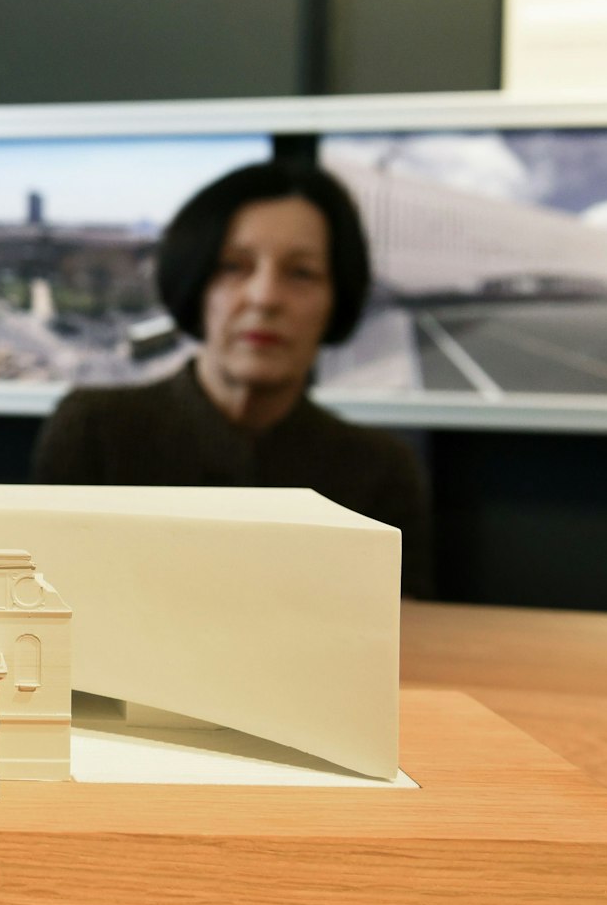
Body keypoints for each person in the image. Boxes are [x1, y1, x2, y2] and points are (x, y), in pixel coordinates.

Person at [31, 160, 432, 597]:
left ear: (336, 300)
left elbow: (400, 639)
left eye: (302, 273)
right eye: (234, 266)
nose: (264, 298)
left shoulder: (379, 468)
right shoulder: (95, 431)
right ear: (196, 283)